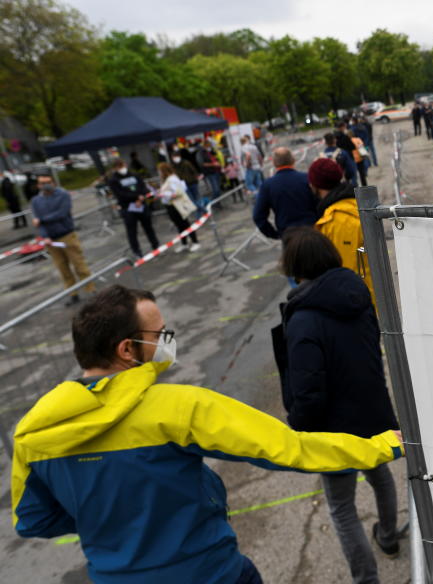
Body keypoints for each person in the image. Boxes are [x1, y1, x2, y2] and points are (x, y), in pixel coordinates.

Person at [11, 284, 404, 584]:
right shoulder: (178, 407)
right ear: (128, 349)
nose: (168, 341)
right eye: (160, 333)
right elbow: (290, 448)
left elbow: (34, 522)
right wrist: (381, 446)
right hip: (209, 572)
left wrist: (108, 514)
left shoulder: (34, 433)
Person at [273, 228, 400, 583]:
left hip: (334, 429)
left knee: (342, 508)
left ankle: (366, 579)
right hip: (373, 411)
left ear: (295, 267)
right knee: (380, 476)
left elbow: (308, 390)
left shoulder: (303, 318)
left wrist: (300, 428)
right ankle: (388, 537)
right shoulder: (359, 296)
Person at [307, 158, 375, 304]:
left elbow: (348, 276)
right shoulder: (355, 204)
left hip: (360, 310)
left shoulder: (335, 221)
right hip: (373, 303)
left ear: (316, 185)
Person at [30, 173, 93, 305]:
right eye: (42, 183)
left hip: (67, 235)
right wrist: (45, 236)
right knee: (63, 269)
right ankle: (72, 293)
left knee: (79, 265)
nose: (45, 185)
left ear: (53, 182)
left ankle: (90, 290)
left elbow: (62, 214)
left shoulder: (63, 195)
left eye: (48, 182)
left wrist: (42, 220)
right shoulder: (36, 201)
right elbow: (38, 223)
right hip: (51, 241)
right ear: (38, 185)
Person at [252, 147, 318, 240]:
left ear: (274, 163)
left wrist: (274, 234)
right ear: (293, 160)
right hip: (312, 230)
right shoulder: (307, 178)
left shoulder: (268, 185)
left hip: (288, 234)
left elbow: (258, 216)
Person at [107, 159, 160, 259]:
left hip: (141, 205)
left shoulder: (134, 175)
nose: (122, 168)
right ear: (115, 168)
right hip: (128, 208)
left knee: (148, 227)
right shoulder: (113, 180)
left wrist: (141, 197)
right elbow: (120, 194)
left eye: (122, 165)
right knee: (132, 231)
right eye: (119, 167)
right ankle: (137, 251)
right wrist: (136, 197)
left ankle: (155, 246)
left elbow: (143, 187)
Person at [157, 162, 200, 253]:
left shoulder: (172, 179)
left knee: (185, 224)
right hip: (170, 206)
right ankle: (184, 243)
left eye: (160, 171)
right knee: (179, 226)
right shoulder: (166, 180)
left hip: (176, 205)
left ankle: (195, 242)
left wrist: (166, 194)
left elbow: (179, 191)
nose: (159, 173)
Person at [337, 121, 366, 186]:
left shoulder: (338, 137)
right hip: (357, 158)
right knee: (361, 175)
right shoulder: (356, 139)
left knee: (350, 177)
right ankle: (363, 187)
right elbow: (357, 147)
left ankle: (351, 190)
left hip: (346, 160)